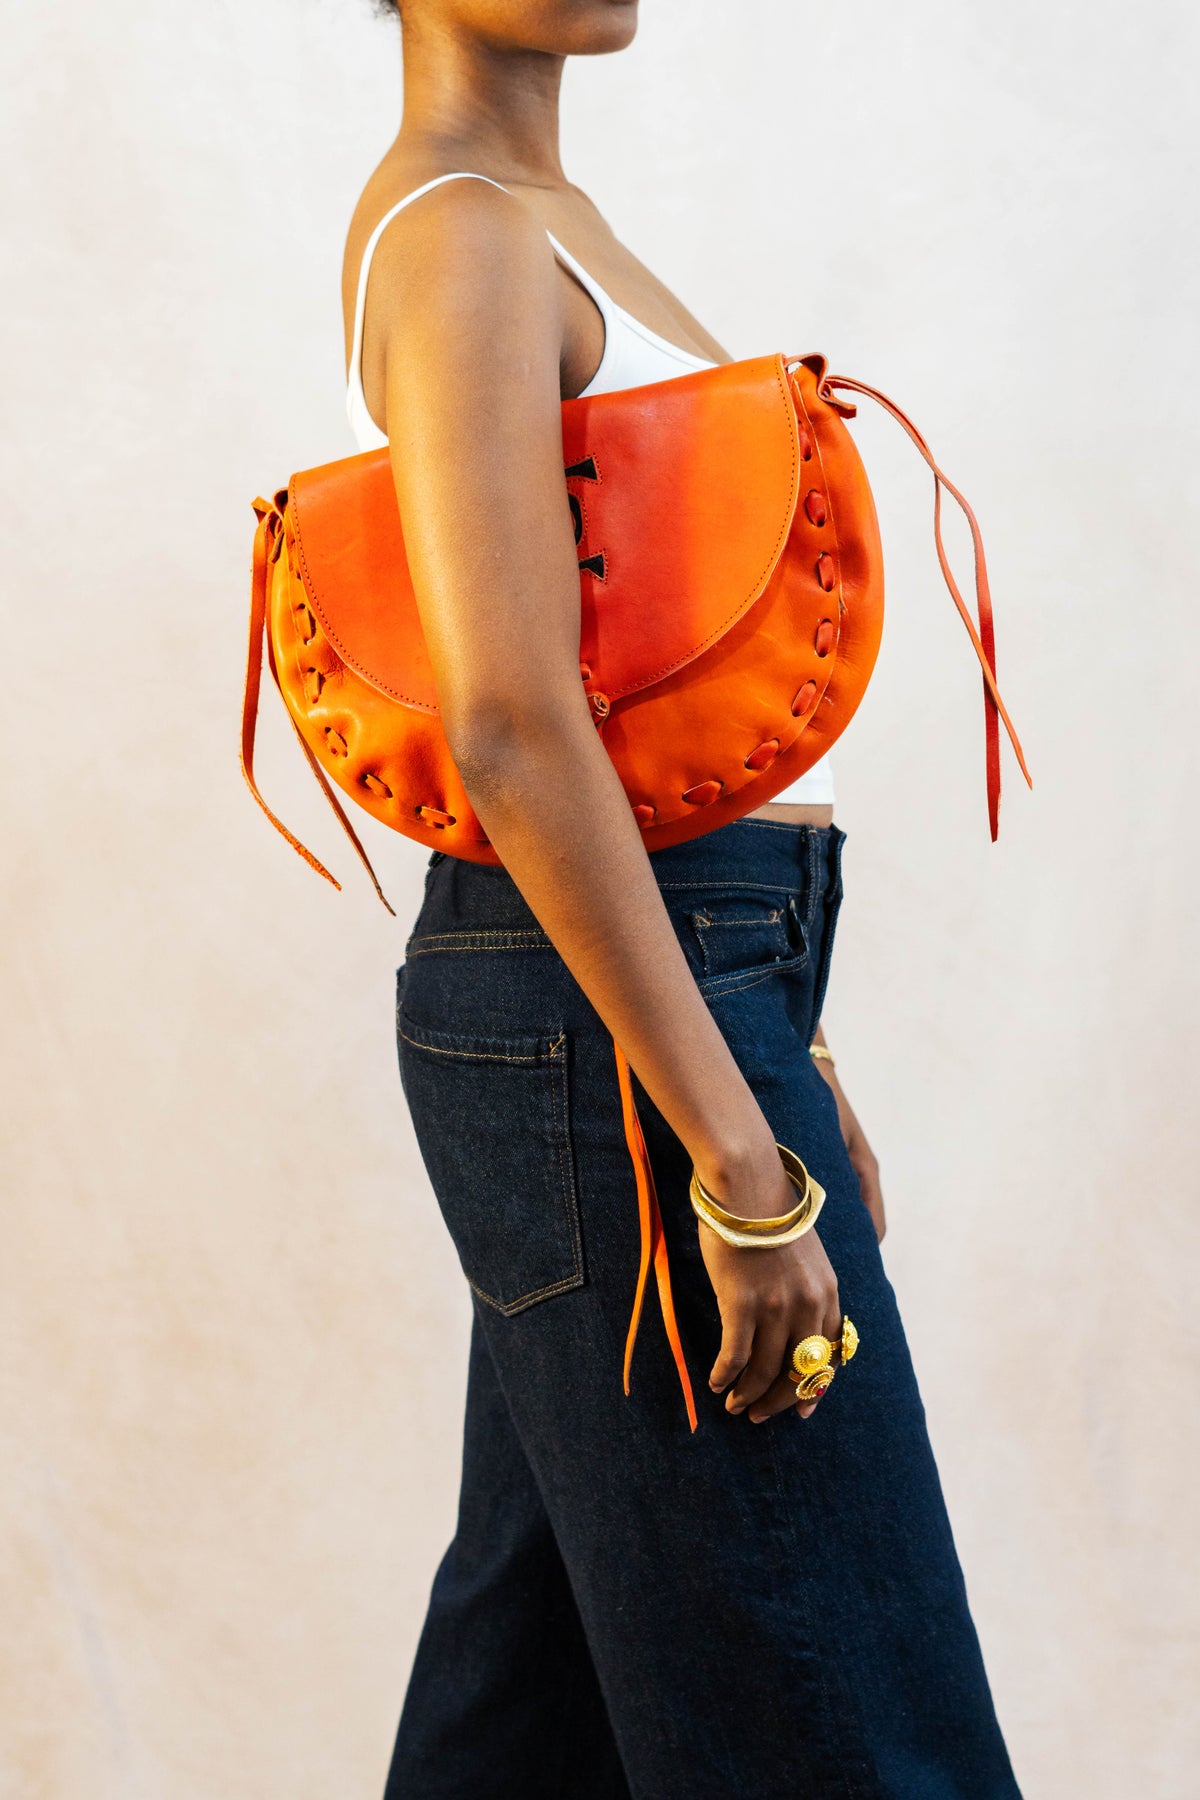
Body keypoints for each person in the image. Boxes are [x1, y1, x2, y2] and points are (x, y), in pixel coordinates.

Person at [340, 3, 1022, 1794]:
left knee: (530, 1690)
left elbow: (620, 715)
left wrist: (790, 1047)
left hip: (663, 979)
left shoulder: (529, 214)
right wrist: (736, 1150)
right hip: (611, 1008)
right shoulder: (462, 232)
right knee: (848, 1703)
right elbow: (510, 723)